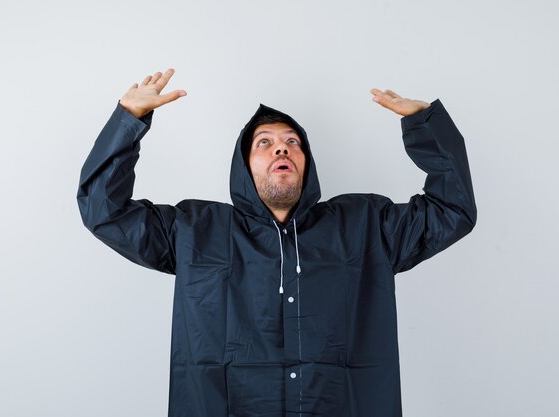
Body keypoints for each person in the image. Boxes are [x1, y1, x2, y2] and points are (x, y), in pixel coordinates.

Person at [77, 68, 477, 417]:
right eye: (264, 142)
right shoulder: (195, 230)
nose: (282, 147)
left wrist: (427, 126)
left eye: (292, 142)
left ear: (305, 162)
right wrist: (127, 120)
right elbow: (105, 213)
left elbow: (452, 209)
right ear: (245, 166)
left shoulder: (365, 226)